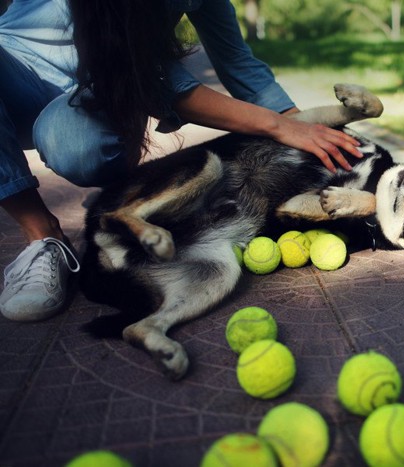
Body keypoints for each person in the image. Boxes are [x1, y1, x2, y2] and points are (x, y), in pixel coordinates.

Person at [0, 0, 362, 322]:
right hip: (17, 70)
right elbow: (139, 71)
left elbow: (239, 63)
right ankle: (43, 236)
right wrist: (277, 125)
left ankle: (125, 196)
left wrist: (303, 144)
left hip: (96, 92)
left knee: (78, 146)